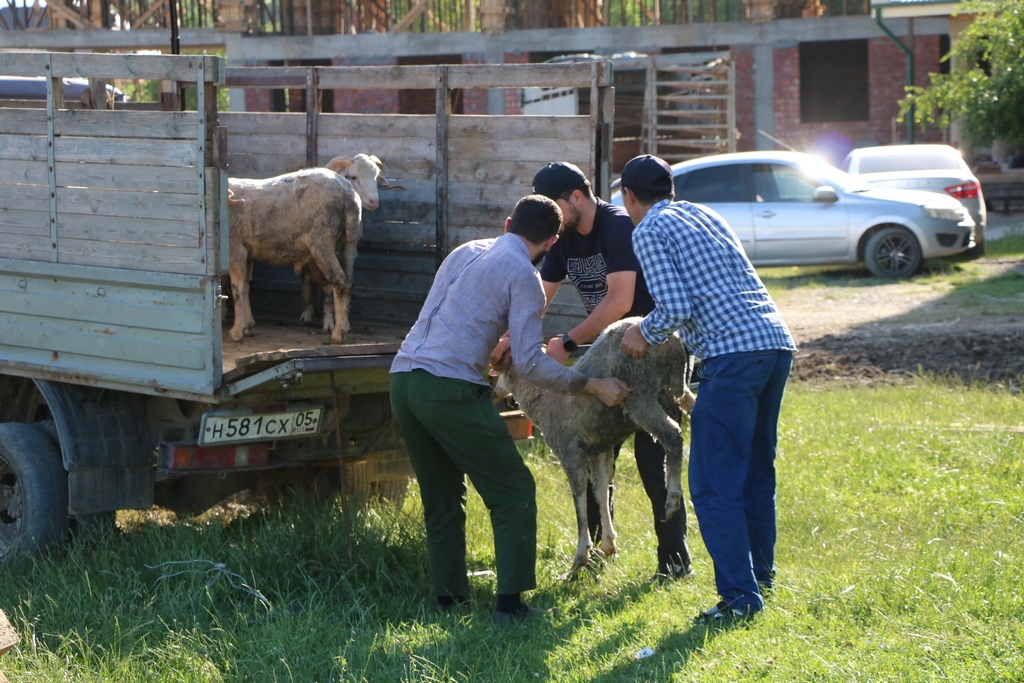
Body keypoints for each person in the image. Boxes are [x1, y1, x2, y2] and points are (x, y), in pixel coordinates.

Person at [390, 194, 631, 624]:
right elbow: (532, 362)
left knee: (442, 498)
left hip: (404, 381)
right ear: (553, 242)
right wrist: (590, 385)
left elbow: (458, 318)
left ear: (507, 223)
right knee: (514, 491)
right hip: (448, 388)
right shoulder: (523, 273)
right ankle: (511, 606)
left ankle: (449, 601)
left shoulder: (466, 250)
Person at [614, 154, 798, 623]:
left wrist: (643, 332)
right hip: (773, 344)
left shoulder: (648, 230)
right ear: (670, 187)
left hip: (731, 357)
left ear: (629, 197)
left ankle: (739, 598)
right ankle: (761, 579)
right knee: (756, 473)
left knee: (714, 484)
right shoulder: (705, 213)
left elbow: (673, 306)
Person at [522, 160, 694, 583]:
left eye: (556, 208)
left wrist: (566, 343)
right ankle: (599, 553)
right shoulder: (562, 242)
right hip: (608, 358)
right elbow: (537, 300)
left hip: (649, 354)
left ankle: (674, 562)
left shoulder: (618, 227)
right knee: (594, 449)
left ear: (576, 198)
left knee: (654, 457)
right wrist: (514, 338)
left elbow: (619, 302)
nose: (552, 220)